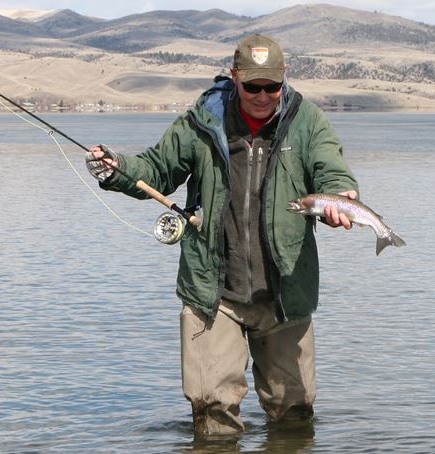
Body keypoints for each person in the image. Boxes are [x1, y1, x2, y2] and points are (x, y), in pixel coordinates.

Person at [84, 34, 358, 436]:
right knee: (213, 417)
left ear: (284, 78)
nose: (262, 96)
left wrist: (341, 197)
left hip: (285, 294)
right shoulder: (201, 122)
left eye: (271, 86)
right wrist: (115, 168)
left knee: (295, 419)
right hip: (213, 293)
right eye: (252, 86)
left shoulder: (308, 122)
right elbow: (157, 169)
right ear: (234, 77)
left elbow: (331, 169)